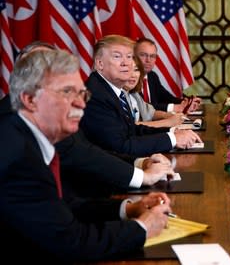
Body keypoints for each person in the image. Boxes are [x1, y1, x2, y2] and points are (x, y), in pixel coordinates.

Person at [0, 49, 172, 262]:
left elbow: (63, 207)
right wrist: (142, 228)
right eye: (67, 93)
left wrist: (128, 209)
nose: (81, 104)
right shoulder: (16, 154)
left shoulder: (34, 135)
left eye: (82, 94)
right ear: (29, 99)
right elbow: (71, 242)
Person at [0, 41, 176, 198]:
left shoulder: (52, 119)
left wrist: (139, 167)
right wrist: (142, 177)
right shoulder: (10, 131)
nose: (79, 104)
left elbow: (87, 151)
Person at [81, 35, 202, 157]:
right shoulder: (95, 95)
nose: (126, 63)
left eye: (129, 57)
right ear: (100, 64)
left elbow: (132, 131)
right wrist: (172, 139)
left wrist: (172, 132)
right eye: (117, 56)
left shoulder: (115, 91)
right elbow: (120, 147)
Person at [134, 37, 201, 113]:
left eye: (152, 56)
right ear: (134, 56)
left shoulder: (152, 76)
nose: (148, 60)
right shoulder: (130, 79)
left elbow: (166, 97)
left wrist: (186, 102)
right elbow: (142, 106)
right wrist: (173, 108)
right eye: (143, 55)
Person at [124, 56, 184, 128]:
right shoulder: (118, 97)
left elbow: (151, 113)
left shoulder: (134, 94)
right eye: (127, 70)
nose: (133, 75)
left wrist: (169, 115)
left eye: (136, 70)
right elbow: (130, 127)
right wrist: (167, 122)